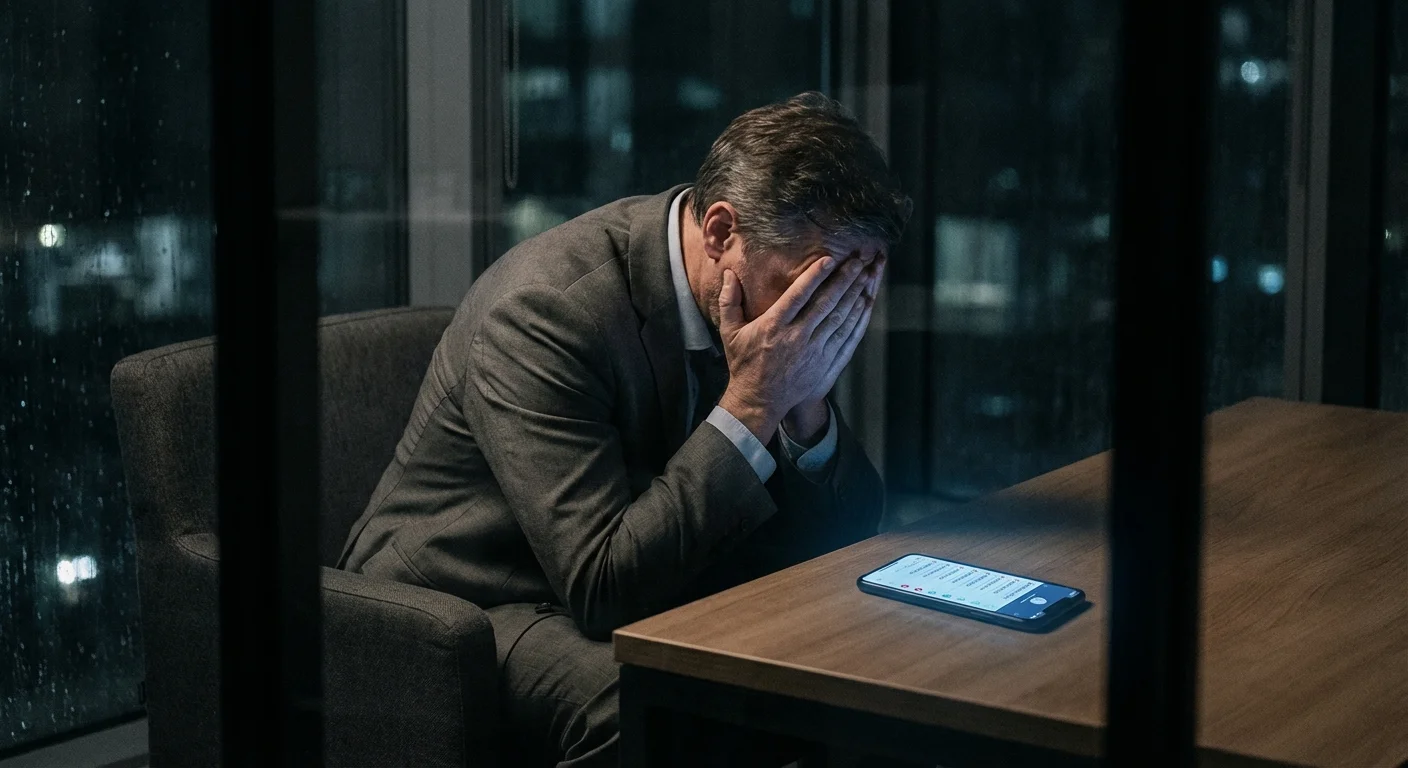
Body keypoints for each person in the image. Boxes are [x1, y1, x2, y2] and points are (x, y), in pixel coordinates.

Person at [337, 91, 911, 767]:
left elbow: (845, 536)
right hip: (466, 598)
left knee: (877, 651)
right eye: (814, 288)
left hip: (630, 563)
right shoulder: (546, 311)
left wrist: (804, 406)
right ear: (722, 233)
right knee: (646, 703)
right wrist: (755, 402)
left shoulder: (761, 311)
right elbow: (603, 588)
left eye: (852, 291)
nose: (829, 318)